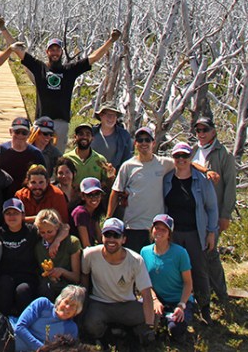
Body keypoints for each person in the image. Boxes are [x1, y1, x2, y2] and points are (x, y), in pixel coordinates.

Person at [0, 17, 121, 151]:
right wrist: (3, 28)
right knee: (36, 154)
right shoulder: (40, 68)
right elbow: (17, 50)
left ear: (61, 52)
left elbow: (94, 58)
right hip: (41, 121)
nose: (55, 53)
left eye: (57, 50)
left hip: (61, 122)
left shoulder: (70, 70)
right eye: (52, 50)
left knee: (57, 157)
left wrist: (111, 40)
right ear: (47, 52)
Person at [80, 218, 156, 345]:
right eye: (107, 235)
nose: (111, 239)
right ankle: (109, 333)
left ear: (124, 239)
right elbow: (84, 280)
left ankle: (128, 332)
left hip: (126, 304)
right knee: (90, 325)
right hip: (100, 303)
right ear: (102, 236)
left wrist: (149, 326)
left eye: (116, 235)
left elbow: (146, 294)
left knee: (153, 314)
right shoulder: (89, 255)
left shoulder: (136, 260)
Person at [164, 141, 217, 321]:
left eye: (185, 156)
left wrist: (211, 232)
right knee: (176, 270)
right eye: (177, 156)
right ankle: (182, 305)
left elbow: (211, 207)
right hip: (173, 233)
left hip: (196, 232)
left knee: (199, 270)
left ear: (190, 158)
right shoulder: (167, 178)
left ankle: (204, 307)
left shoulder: (202, 180)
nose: (181, 160)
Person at [192, 113, 237, 305]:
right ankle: (201, 292)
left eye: (205, 130)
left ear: (214, 132)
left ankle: (221, 294)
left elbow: (230, 186)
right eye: (198, 130)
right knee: (197, 252)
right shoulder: (194, 150)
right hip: (194, 211)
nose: (201, 134)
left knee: (210, 252)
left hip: (214, 211)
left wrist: (225, 214)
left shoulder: (223, 154)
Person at [107, 126, 175, 253]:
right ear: (135, 143)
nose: (144, 143)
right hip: (132, 226)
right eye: (140, 140)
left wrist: (206, 171)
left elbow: (185, 163)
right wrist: (108, 218)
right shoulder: (127, 166)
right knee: (132, 266)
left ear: (153, 143)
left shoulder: (164, 163)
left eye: (147, 140)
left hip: (155, 227)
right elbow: (115, 191)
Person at [140, 214, 194, 342]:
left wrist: (181, 305)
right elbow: (144, 282)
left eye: (163, 230)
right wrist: (154, 300)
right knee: (140, 323)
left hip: (178, 300)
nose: (159, 232)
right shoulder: (144, 252)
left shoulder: (180, 253)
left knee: (175, 329)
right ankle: (159, 322)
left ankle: (172, 322)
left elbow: (188, 283)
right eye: (156, 228)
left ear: (169, 234)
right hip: (156, 299)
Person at [34, 208, 82, 301]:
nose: (46, 236)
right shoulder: (38, 247)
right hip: (48, 288)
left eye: (50, 232)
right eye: (42, 232)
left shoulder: (72, 242)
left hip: (68, 288)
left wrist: (62, 271)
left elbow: (76, 277)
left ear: (57, 227)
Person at [0, 117, 46, 192]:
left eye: (24, 133)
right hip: (2, 194)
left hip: (27, 196)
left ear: (29, 134)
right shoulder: (1, 150)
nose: (20, 135)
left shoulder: (36, 154)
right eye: (17, 132)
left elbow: (44, 178)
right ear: (11, 131)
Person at [66, 124, 116, 195]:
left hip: (93, 200)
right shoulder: (67, 158)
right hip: (72, 200)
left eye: (88, 134)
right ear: (75, 137)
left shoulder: (100, 159)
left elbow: (108, 185)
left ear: (92, 138)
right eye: (81, 134)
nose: (84, 137)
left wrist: (111, 176)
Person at [89, 102, 133, 171]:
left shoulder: (124, 136)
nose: (111, 118)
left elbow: (128, 160)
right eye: (109, 115)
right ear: (101, 115)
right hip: (90, 175)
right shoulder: (90, 133)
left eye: (114, 116)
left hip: (113, 178)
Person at [71, 177, 104, 248]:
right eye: (89, 194)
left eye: (97, 194)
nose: (94, 197)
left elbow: (100, 238)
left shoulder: (95, 212)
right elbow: (86, 245)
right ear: (82, 196)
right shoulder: (80, 213)